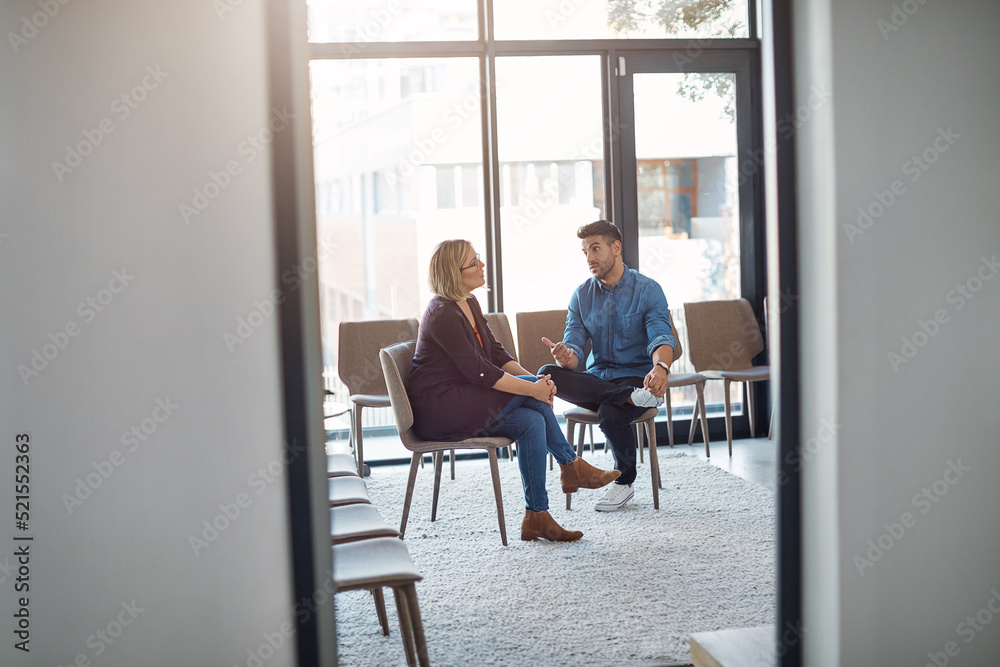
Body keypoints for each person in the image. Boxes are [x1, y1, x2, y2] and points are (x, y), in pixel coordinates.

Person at [407, 239, 620, 542]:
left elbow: (496, 354)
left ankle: (537, 516)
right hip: (440, 408)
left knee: (532, 421)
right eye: (473, 262)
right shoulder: (442, 314)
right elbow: (481, 373)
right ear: (454, 273)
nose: (482, 265)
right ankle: (571, 466)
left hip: (467, 399)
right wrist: (534, 387)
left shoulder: (468, 302)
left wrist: (535, 380)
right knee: (533, 390)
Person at [538, 220, 676, 512]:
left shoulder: (648, 290)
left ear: (616, 248)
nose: (589, 258)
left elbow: (661, 336)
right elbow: (574, 352)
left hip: (640, 377)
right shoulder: (581, 295)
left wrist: (661, 369)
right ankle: (628, 396)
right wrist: (565, 356)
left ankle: (624, 482)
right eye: (585, 251)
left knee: (609, 412)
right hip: (599, 380)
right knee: (546, 373)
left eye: (595, 248)